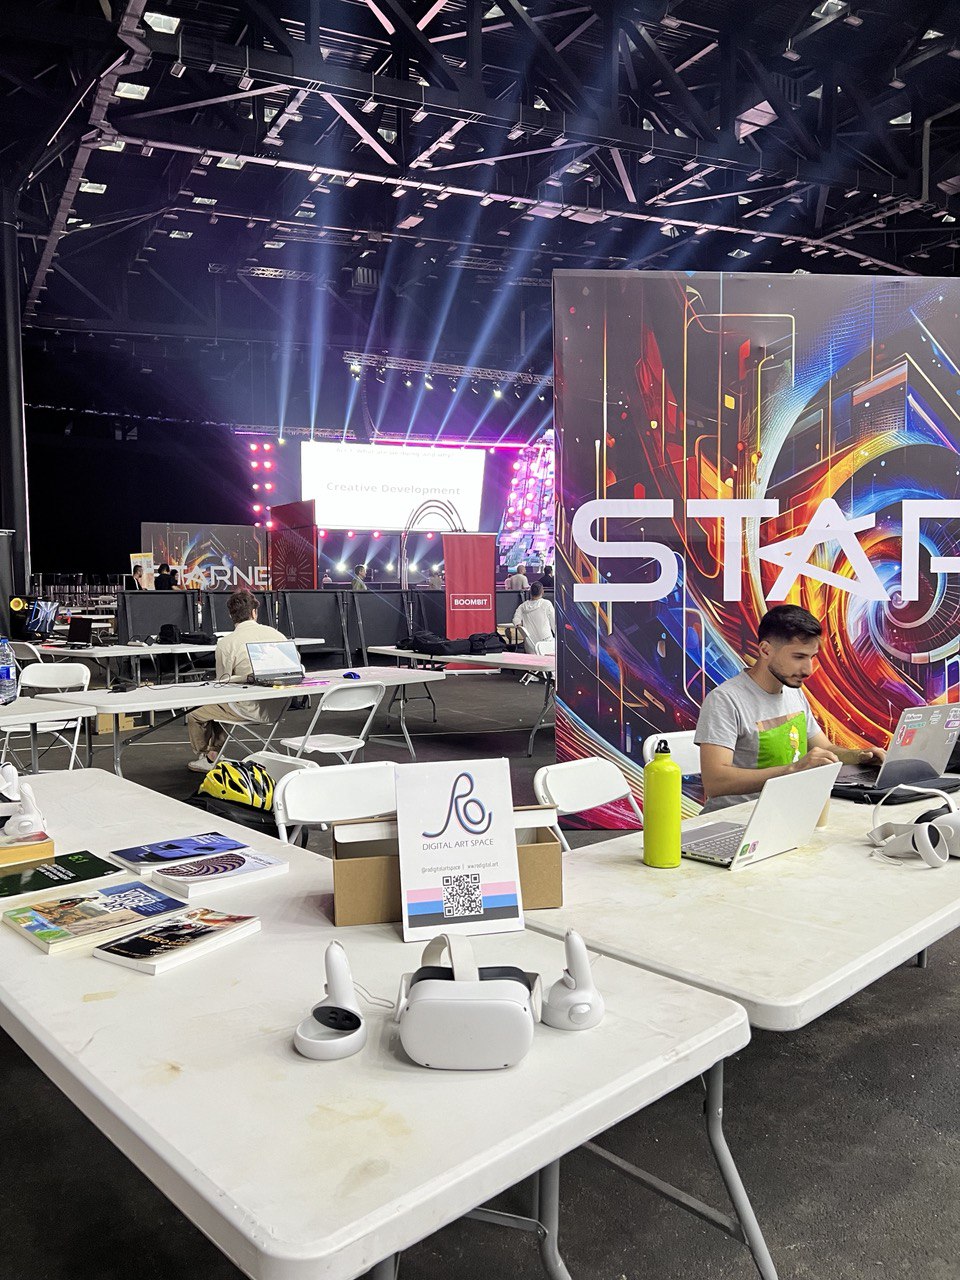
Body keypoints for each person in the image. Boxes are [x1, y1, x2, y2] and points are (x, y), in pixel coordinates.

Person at [695, 604, 886, 812]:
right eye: (799, 657)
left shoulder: (793, 692)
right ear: (765, 650)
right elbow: (715, 782)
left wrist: (861, 756)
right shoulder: (724, 700)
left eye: (812, 657)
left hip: (786, 813)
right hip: (736, 820)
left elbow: (826, 750)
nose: (808, 670)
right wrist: (793, 769)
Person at [185, 589, 288, 772]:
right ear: (254, 612)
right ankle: (214, 752)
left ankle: (207, 755)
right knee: (220, 705)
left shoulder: (227, 643)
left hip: (249, 708)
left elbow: (222, 683)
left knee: (194, 711)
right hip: (279, 706)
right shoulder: (277, 635)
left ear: (231, 616)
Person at [513, 581, 555, 653]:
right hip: (546, 644)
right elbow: (554, 623)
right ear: (542, 592)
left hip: (530, 646)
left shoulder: (522, 606)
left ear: (530, 592)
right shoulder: (547, 604)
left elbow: (516, 620)